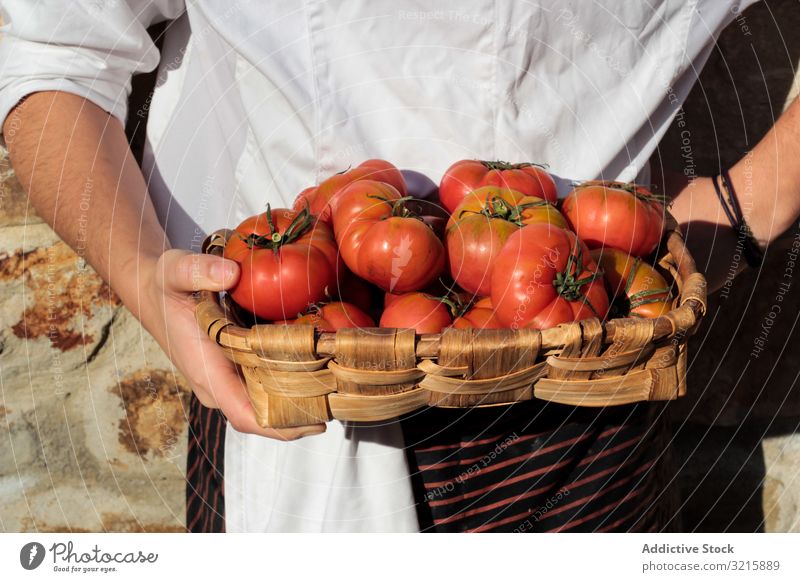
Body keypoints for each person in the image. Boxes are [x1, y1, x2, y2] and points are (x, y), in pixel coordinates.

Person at [3, 0, 798, 532]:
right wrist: (143, 274)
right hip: (286, 397)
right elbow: (51, 47)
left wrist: (741, 208)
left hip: (579, 414)